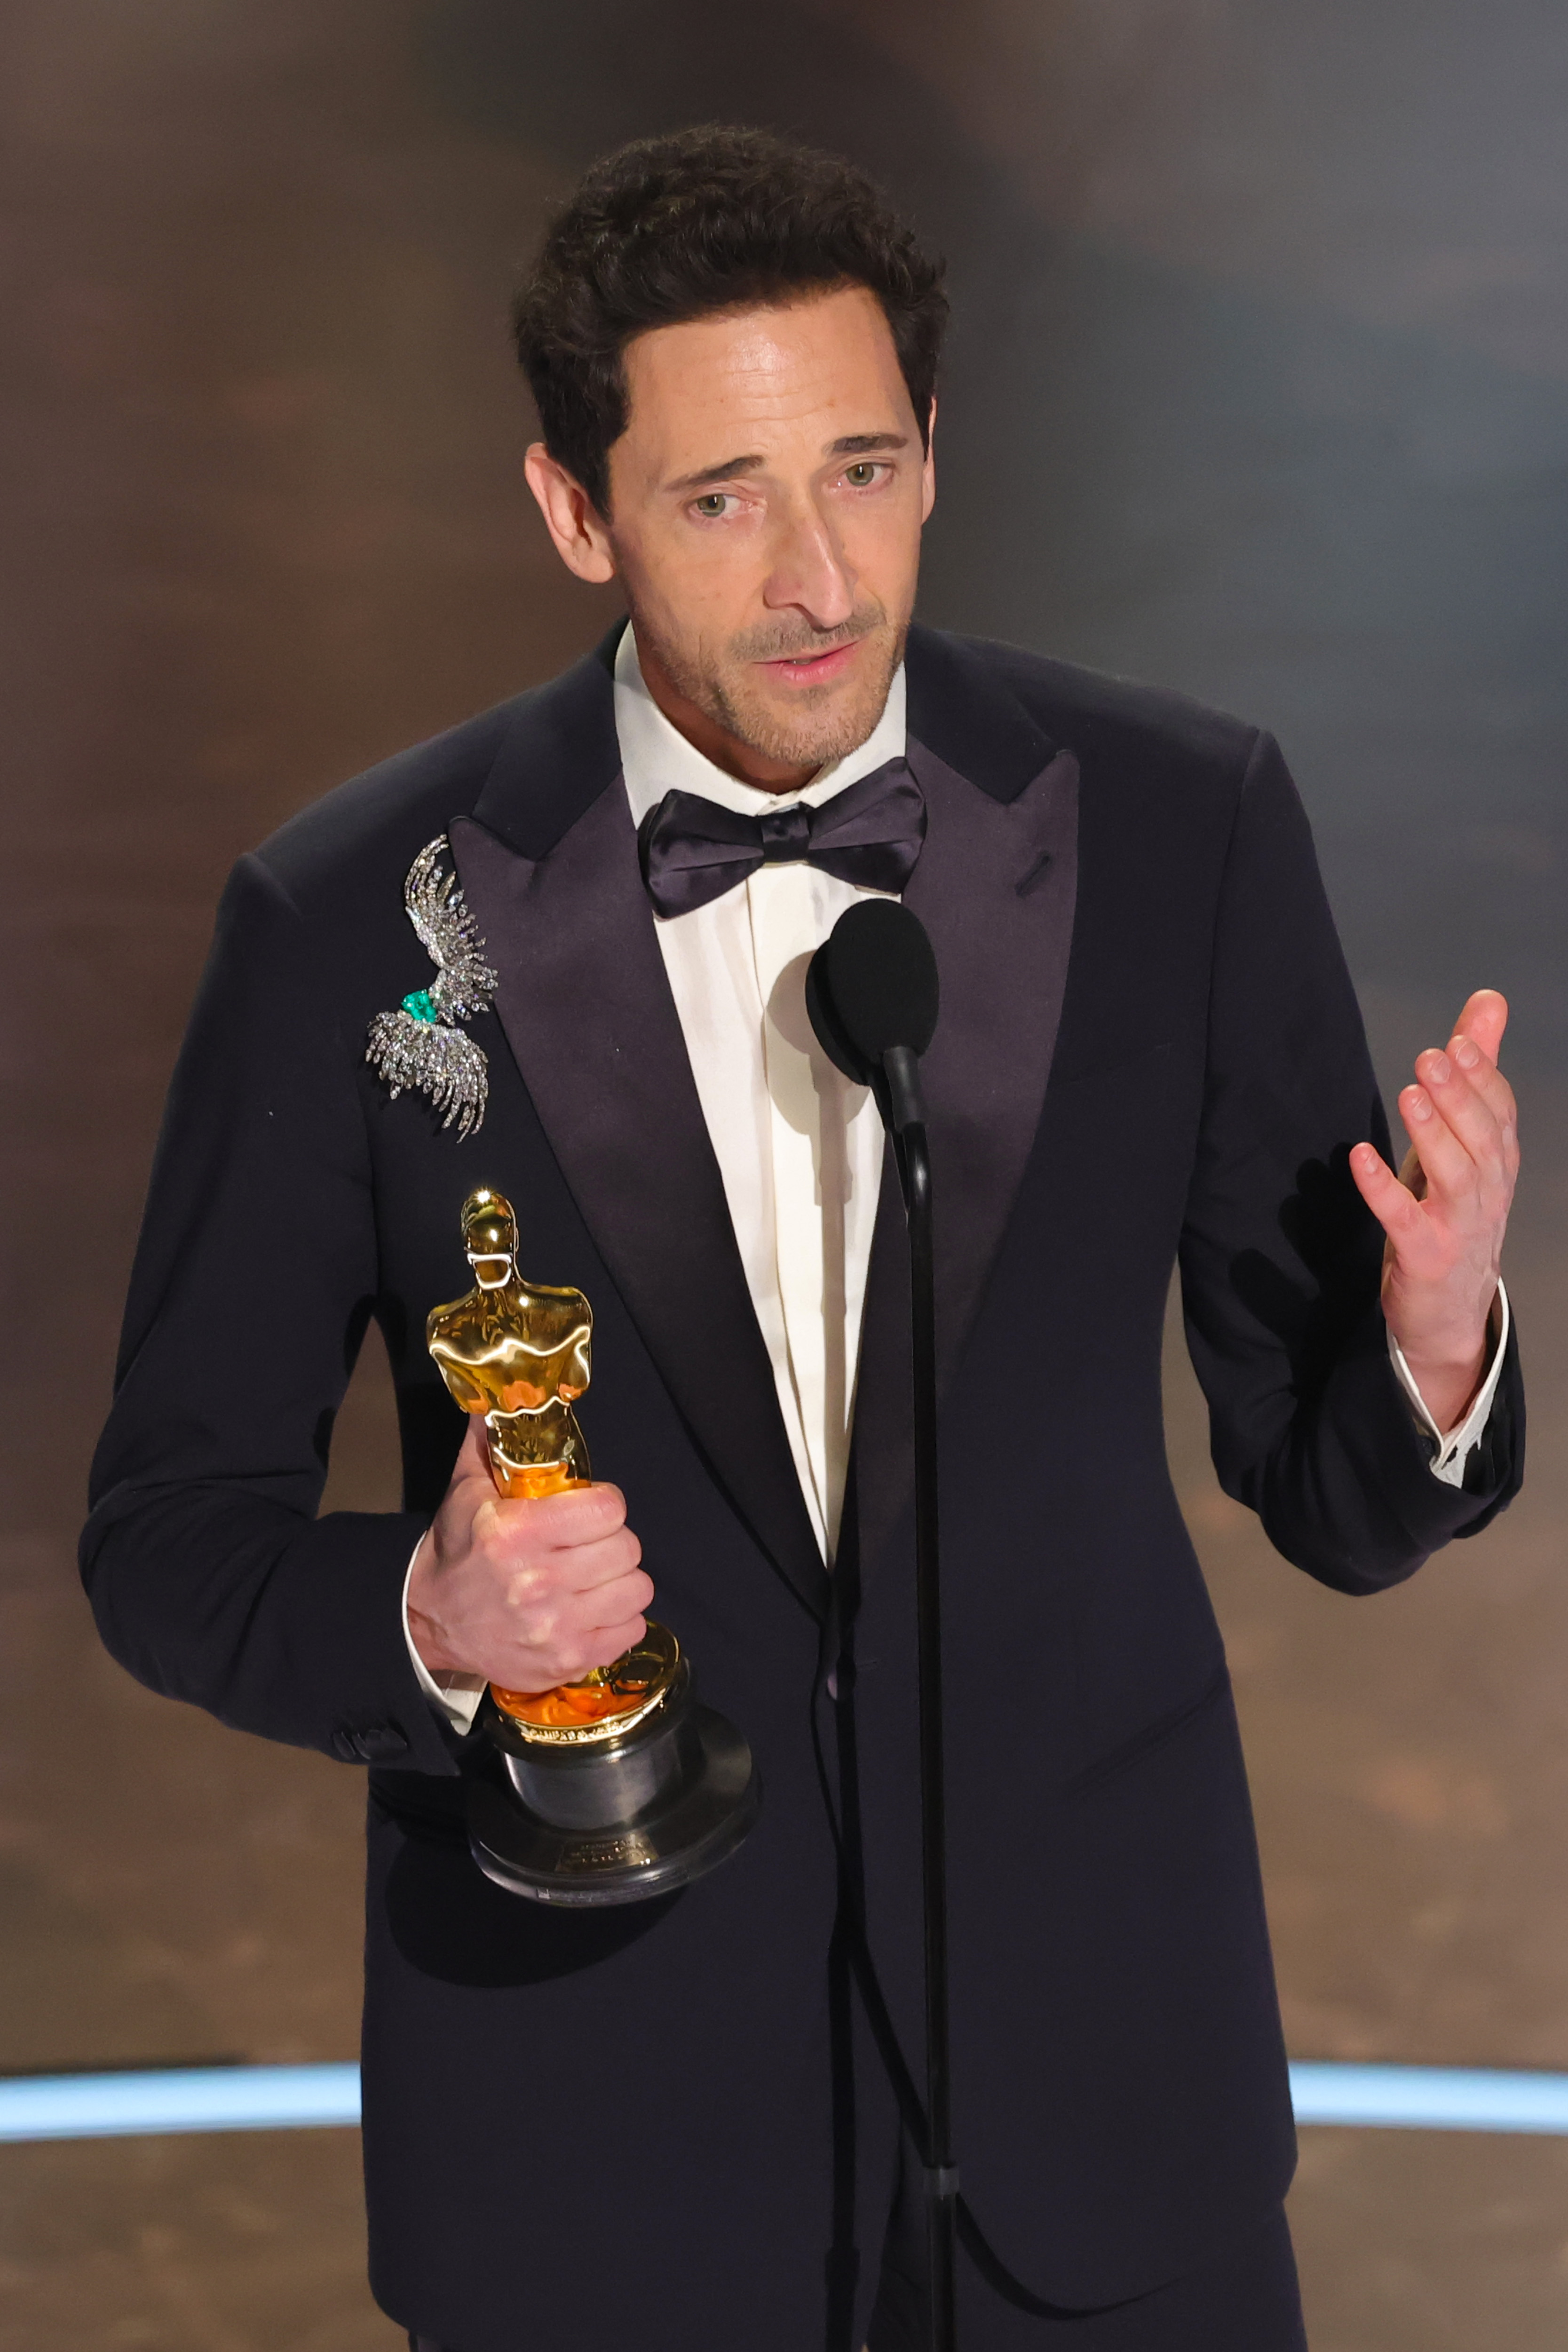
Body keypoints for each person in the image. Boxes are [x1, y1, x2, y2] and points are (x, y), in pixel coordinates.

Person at [82, 127, 1521, 2352]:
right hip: (600, 2146)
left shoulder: (1181, 828)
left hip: (1106, 2141)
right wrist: (430, 1615)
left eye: (861, 468)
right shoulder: (351, 925)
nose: (819, 577)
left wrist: (1428, 1355)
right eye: (722, 495)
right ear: (576, 509)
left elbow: (1329, 1485)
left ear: (937, 452)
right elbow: (168, 1529)